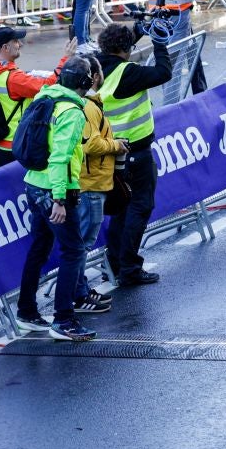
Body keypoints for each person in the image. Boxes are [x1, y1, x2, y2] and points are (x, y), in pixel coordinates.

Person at [13, 56, 96, 341]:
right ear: (87, 82)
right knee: (73, 252)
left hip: (34, 185)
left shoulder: (45, 98)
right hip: (55, 191)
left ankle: (26, 312)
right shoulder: (72, 111)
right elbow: (60, 157)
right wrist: (59, 199)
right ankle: (64, 320)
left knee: (39, 248)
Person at [97, 23, 172, 286]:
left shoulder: (96, 65)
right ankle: (129, 267)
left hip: (108, 153)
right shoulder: (127, 73)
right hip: (135, 153)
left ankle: (115, 263)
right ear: (126, 49)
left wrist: (138, 30)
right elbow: (163, 72)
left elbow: (119, 48)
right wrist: (159, 40)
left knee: (120, 210)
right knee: (140, 206)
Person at [72, 54, 126, 315]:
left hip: (91, 182)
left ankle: (79, 291)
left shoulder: (89, 103)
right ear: (94, 76)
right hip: (91, 185)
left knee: (81, 242)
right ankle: (78, 294)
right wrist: (116, 145)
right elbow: (90, 144)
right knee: (82, 243)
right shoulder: (88, 107)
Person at [0, 27, 76, 167]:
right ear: (5, 47)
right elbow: (49, 86)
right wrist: (66, 58)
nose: (21, 44)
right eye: (16, 41)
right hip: (17, 146)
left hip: (0, 144)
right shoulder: (13, 78)